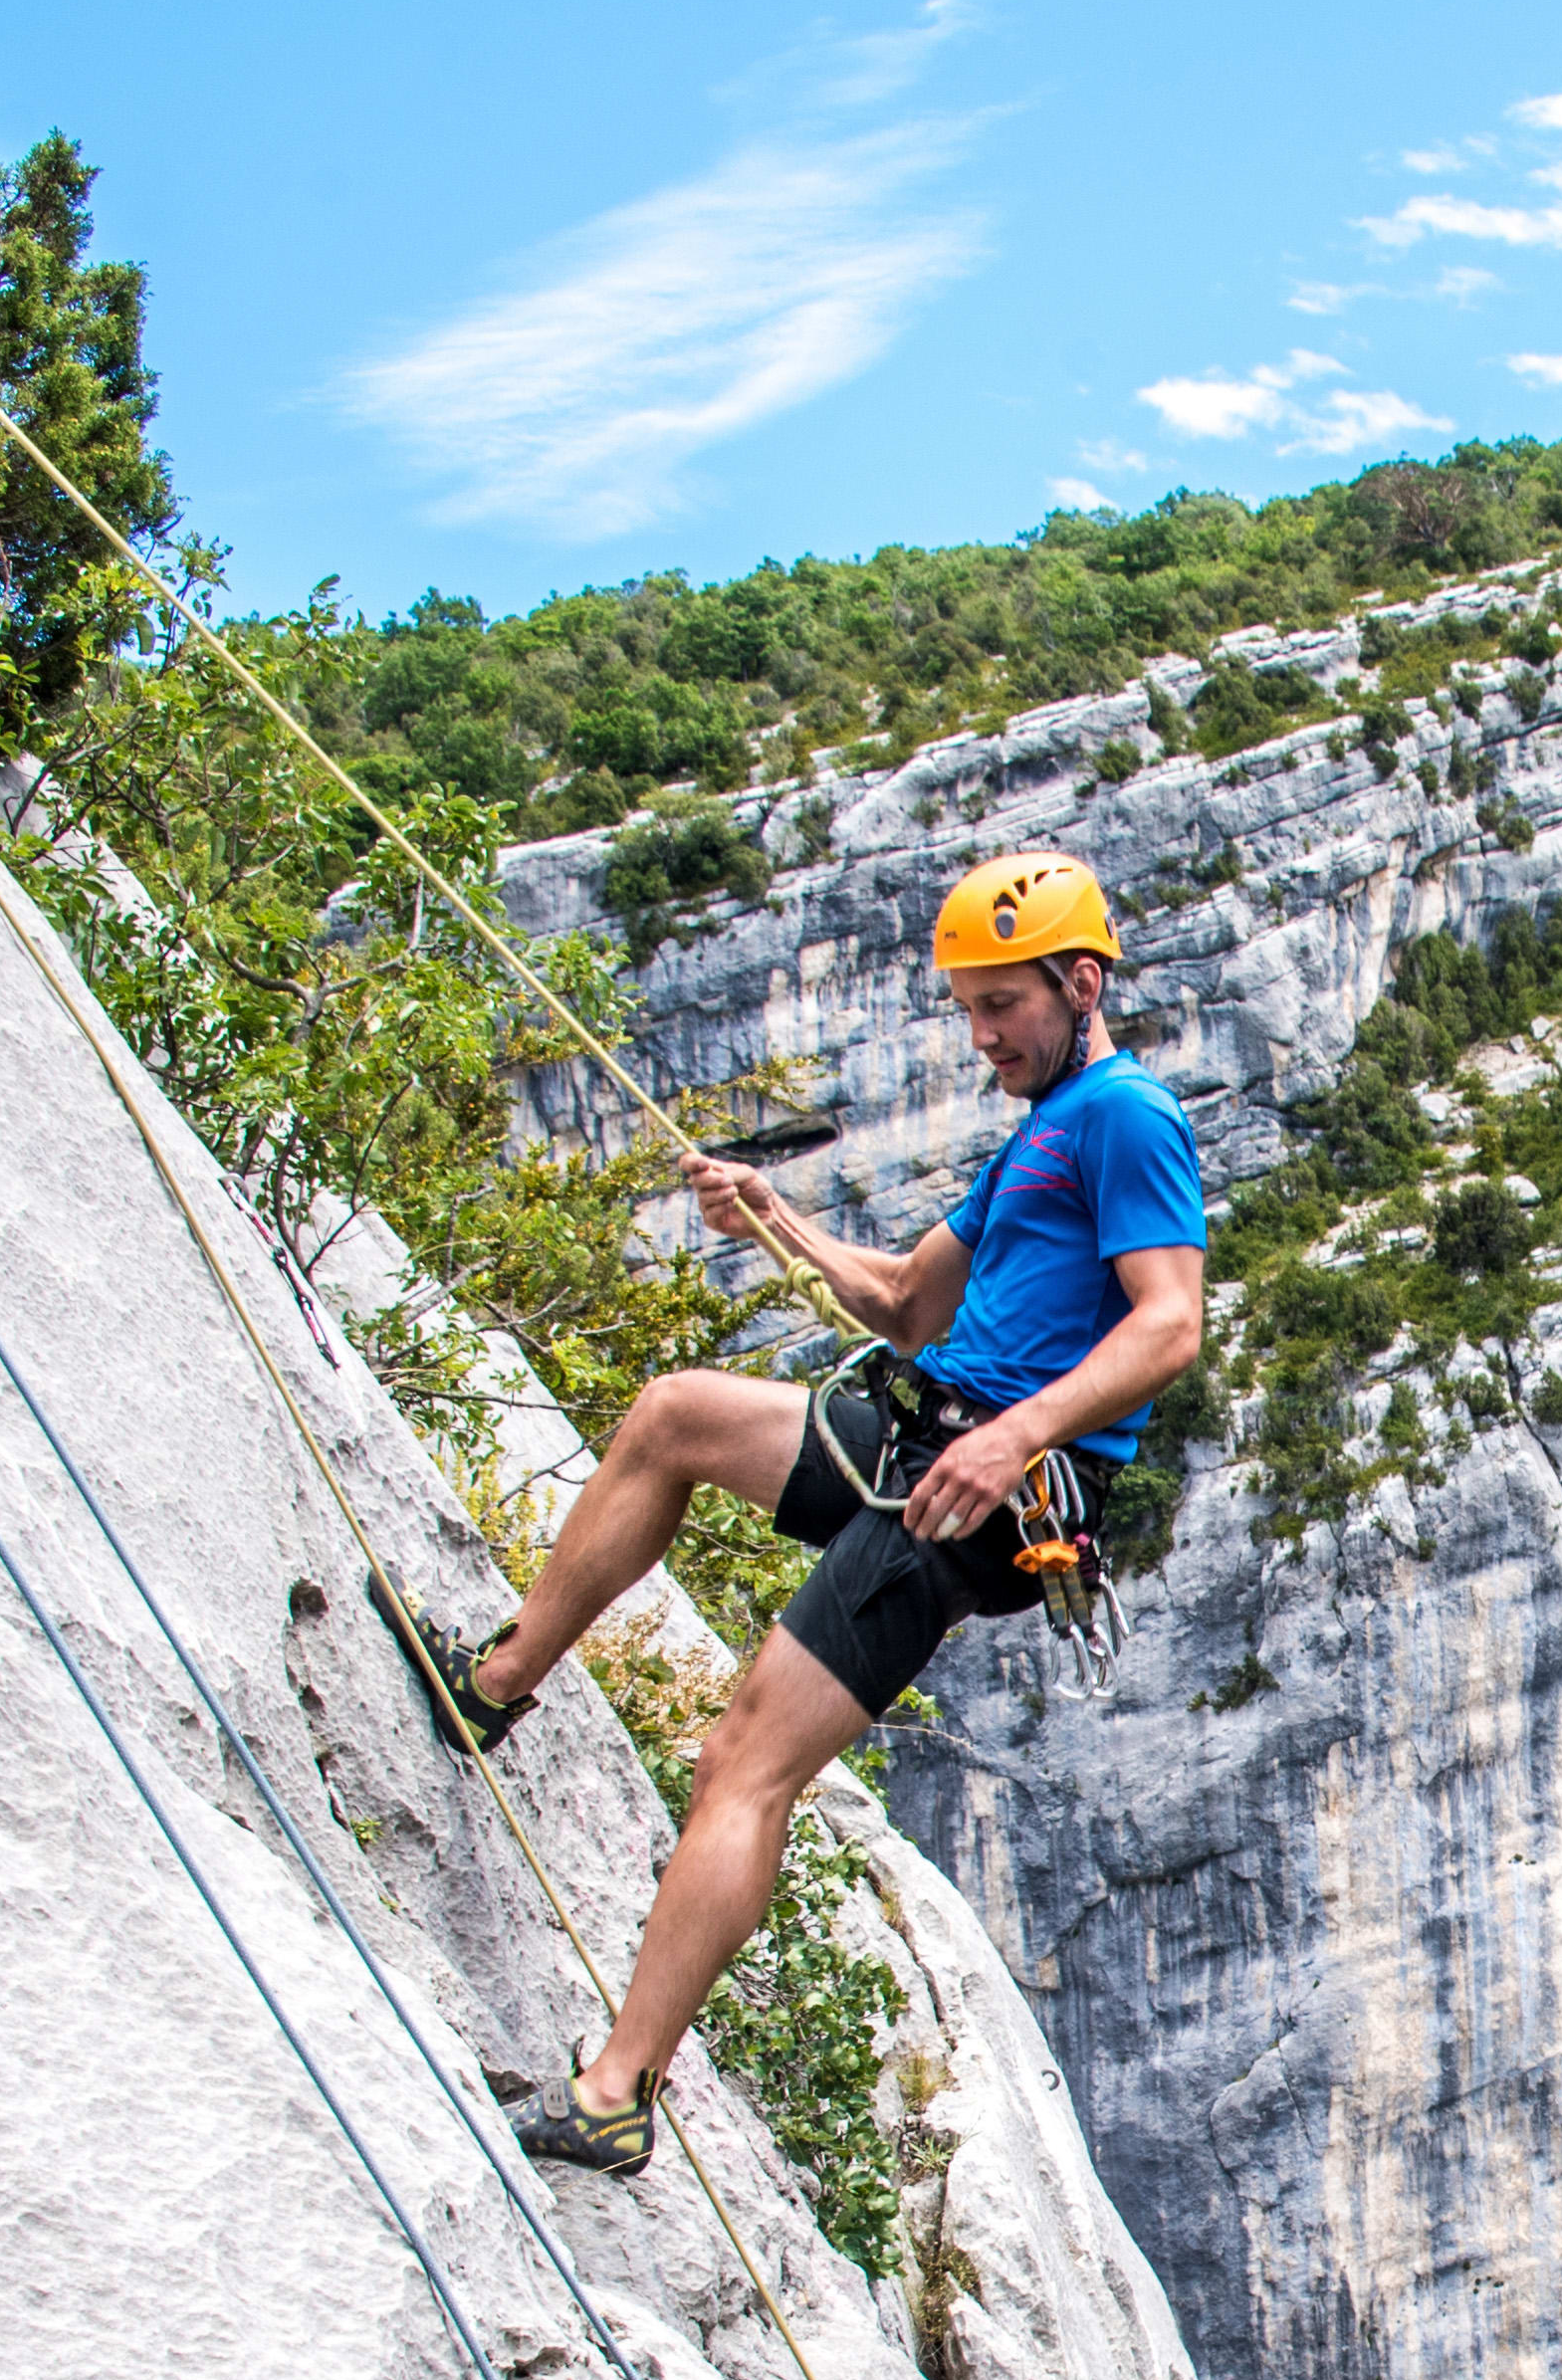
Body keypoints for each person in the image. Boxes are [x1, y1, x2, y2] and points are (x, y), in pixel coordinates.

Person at [368, 847, 1205, 2176]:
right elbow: (905, 1305)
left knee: (742, 1764)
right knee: (674, 1419)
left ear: (1081, 982)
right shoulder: (1041, 1131)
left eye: (1003, 1005)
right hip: (926, 1428)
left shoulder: (1126, 1117)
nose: (983, 1036)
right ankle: (495, 1684)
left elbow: (1169, 1324)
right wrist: (775, 1218)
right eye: (970, 1009)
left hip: (974, 1492)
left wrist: (1016, 1437)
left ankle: (615, 2093)